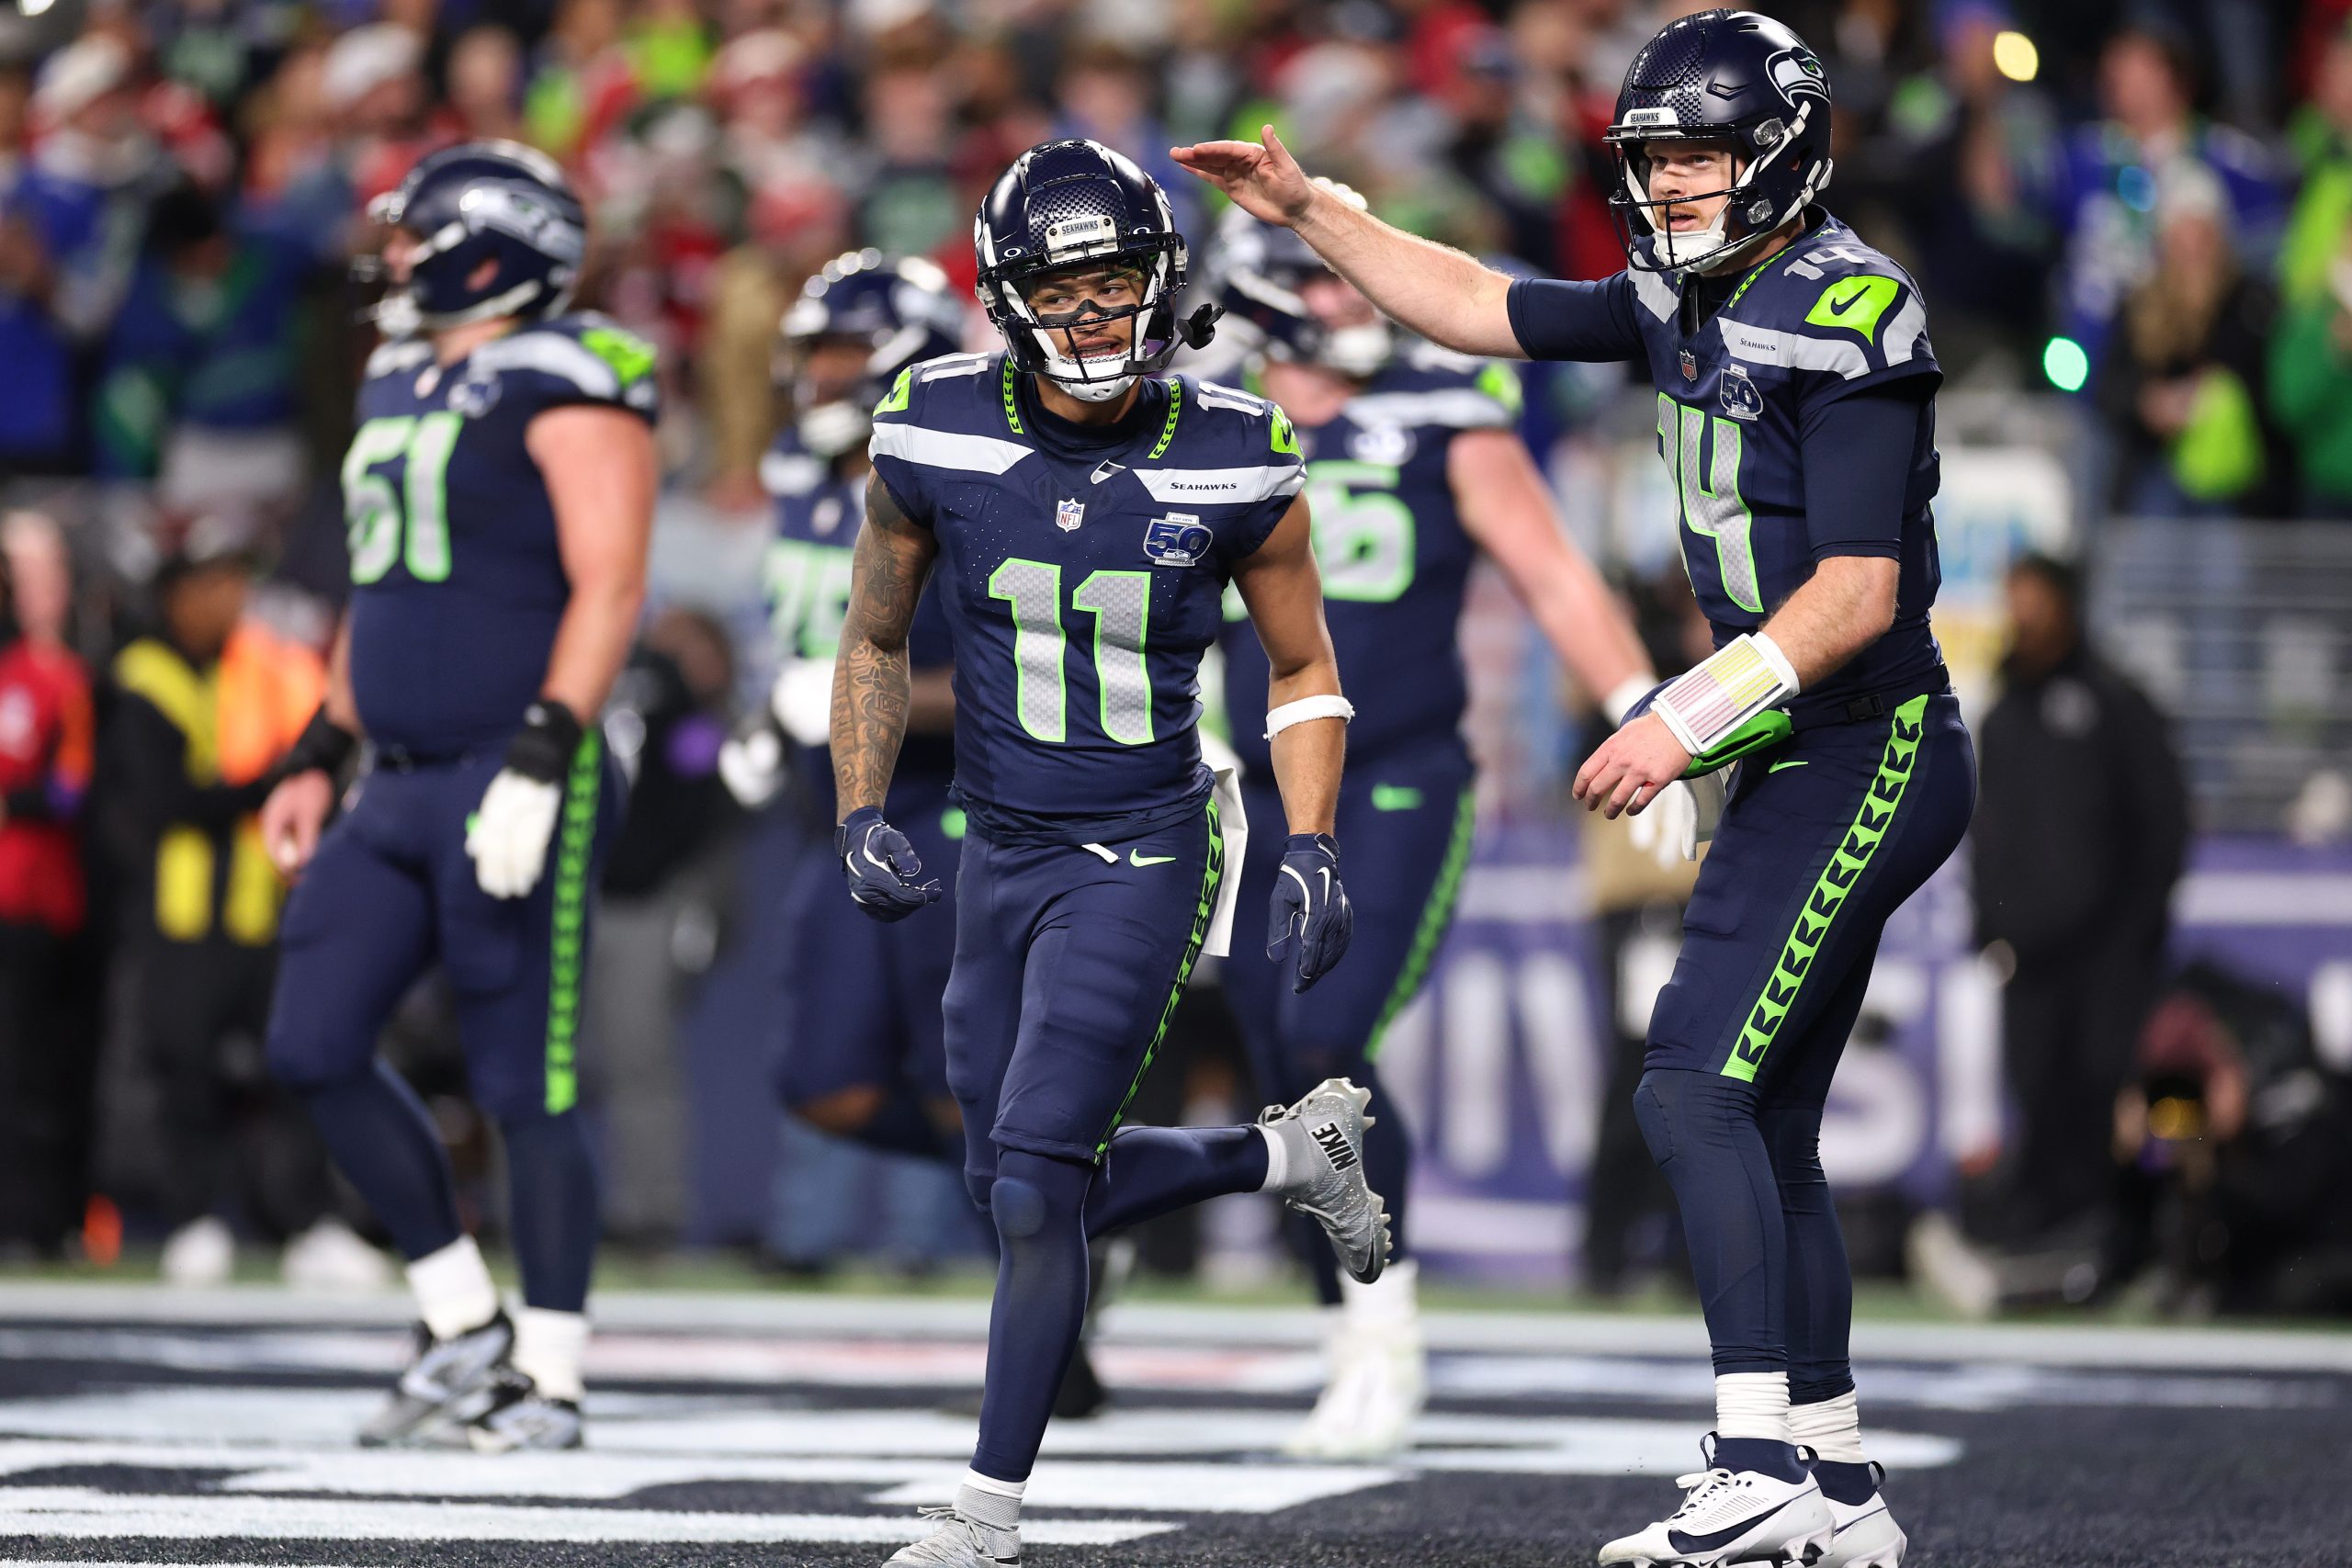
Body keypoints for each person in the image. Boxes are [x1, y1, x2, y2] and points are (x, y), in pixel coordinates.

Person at [1178, 11, 1975, 1567]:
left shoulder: (1849, 305)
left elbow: (1858, 593)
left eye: (1697, 158)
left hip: (1863, 738)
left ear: (1782, 154)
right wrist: (1314, 212)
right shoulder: (1690, 292)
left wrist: (1680, 715)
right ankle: (1836, 1485)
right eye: (1654, 159)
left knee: (1689, 1086)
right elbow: (1479, 305)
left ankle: (1757, 1460)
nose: (1668, 187)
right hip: (1801, 743)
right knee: (1767, 1121)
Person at [835, 138, 1389, 1568]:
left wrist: (1312, 838)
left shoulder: (1236, 446)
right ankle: (1285, 1152)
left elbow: (1303, 663)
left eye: (1117, 279)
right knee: (1008, 1183)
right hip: (999, 841)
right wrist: (860, 801)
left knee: (1034, 1186)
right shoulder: (934, 425)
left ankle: (986, 1511)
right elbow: (876, 636)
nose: (1091, 313)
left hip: (1146, 841)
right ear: (1005, 298)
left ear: (1165, 279)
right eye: (1059, 287)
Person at [1211, 191, 1659, 1460]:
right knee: (1278, 1073)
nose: (1353, 297)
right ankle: (1348, 1326)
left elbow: (1554, 574)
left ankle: (1384, 1320)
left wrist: (1648, 711)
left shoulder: (1439, 415)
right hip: (1255, 791)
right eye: (1325, 279)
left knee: (1325, 1042)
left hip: (1395, 779)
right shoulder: (1213, 427)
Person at [257, 141, 658, 1452]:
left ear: (491, 248)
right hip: (395, 773)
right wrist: (320, 746)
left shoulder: (574, 371)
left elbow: (609, 580)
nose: (393, 258)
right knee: (312, 1039)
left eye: (415, 237)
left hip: (512, 762)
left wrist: (546, 748)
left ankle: (554, 1374)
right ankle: (458, 1318)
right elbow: (383, 588)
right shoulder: (393, 373)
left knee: (522, 1077)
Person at [104, 525, 373, 1288]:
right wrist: (265, 786)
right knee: (185, 1069)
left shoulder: (265, 663)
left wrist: (281, 780)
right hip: (181, 912)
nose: (230, 598)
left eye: (236, 580)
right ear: (177, 593)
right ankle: (196, 1217)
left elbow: (317, 750)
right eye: (214, 582)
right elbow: (163, 799)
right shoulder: (144, 673)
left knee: (294, 1062)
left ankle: (308, 1221)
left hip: (266, 902)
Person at [1971, 553, 2188, 1255]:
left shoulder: (2115, 702)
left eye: (2033, 598)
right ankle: (2040, 1239)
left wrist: (2134, 933)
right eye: (2013, 598)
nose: (2021, 614)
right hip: (2027, 956)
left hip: (2106, 955)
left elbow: (2163, 822)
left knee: (2103, 1093)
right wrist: (1989, 926)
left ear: (2065, 603)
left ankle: (2113, 1239)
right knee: (2036, 1095)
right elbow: (1988, 833)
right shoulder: (2002, 712)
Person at [0, 512, 96, 1257]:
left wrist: (19, 802)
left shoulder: (69, 674)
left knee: (45, 1068)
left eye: (49, 571)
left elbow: (72, 788)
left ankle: (46, 1219)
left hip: (49, 901)